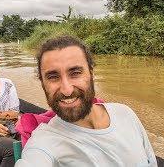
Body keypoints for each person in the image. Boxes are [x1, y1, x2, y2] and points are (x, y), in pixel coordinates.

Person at [15, 36, 157, 167]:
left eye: (75, 73)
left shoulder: (124, 113)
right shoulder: (44, 142)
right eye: (53, 77)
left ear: (92, 73)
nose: (67, 90)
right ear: (42, 83)